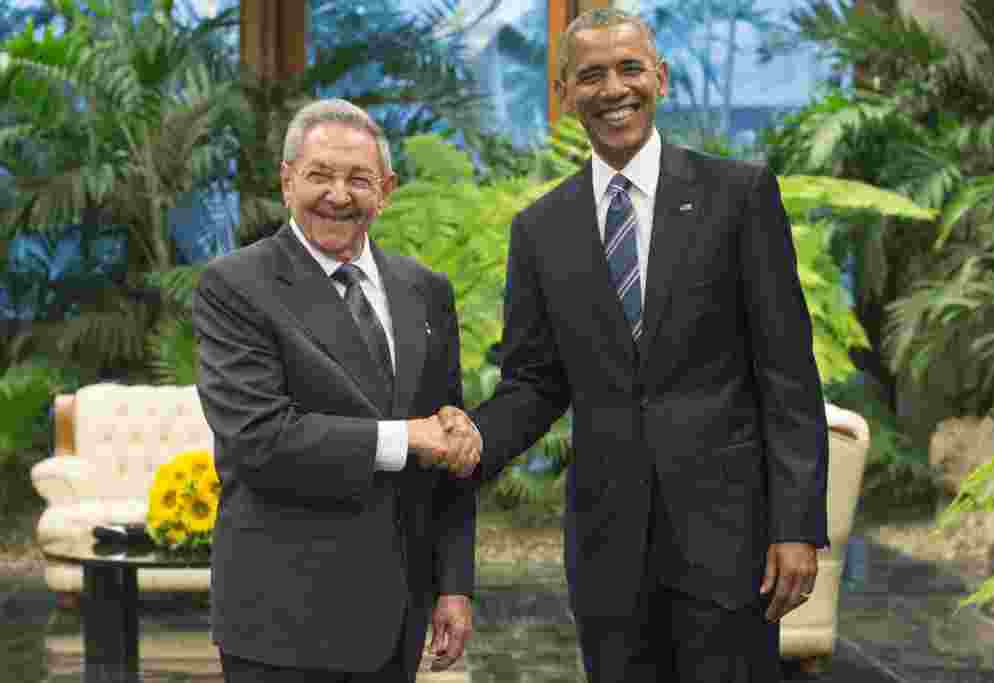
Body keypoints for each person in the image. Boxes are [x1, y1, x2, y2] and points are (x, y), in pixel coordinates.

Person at [439, 8, 829, 682]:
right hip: (609, 554)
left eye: (629, 68)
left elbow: (788, 373)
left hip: (729, 542)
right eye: (591, 75)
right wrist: (471, 437)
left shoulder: (738, 196)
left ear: (660, 78)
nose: (614, 88)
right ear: (564, 93)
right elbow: (535, 382)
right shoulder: (540, 229)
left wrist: (796, 525)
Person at [193, 98, 478, 683]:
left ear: (386, 190)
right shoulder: (235, 286)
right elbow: (259, 438)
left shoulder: (425, 290)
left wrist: (453, 584)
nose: (338, 195)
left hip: (397, 616)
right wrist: (406, 438)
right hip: (283, 620)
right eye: (319, 175)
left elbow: (447, 445)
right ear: (287, 181)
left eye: (359, 179)